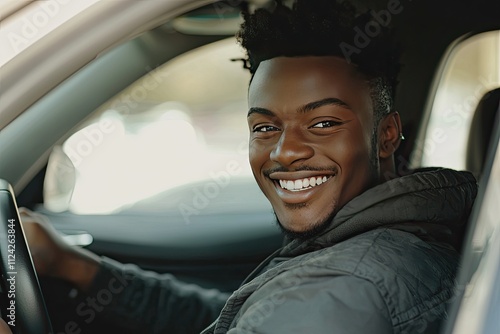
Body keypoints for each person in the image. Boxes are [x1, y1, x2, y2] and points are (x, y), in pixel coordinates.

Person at [16, 0, 477, 333]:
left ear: (387, 135)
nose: (283, 153)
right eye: (264, 127)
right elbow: (225, 317)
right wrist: (74, 266)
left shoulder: (337, 293)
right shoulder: (374, 251)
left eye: (322, 122)